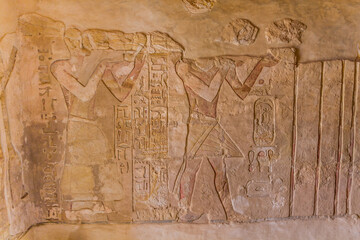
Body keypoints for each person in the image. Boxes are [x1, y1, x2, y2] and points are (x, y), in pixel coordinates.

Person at [51, 28, 145, 215]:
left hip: (92, 125)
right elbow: (84, 94)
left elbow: (121, 94)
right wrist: (101, 66)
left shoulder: (96, 66)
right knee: (80, 167)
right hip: (77, 124)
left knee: (105, 164)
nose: (81, 47)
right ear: (68, 43)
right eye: (77, 42)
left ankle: (98, 204)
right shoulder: (60, 67)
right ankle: (80, 207)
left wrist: (137, 67)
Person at [173, 54, 278, 222]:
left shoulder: (220, 67)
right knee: (191, 169)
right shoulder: (185, 68)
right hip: (197, 125)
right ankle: (185, 209)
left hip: (212, 124)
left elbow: (242, 91)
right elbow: (208, 93)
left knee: (221, 170)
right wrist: (223, 69)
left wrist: (260, 65)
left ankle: (229, 211)